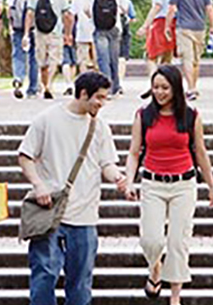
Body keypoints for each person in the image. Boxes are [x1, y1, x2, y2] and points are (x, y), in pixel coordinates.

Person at [18, 72, 130, 305]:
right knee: (44, 276)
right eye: (98, 98)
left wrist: (118, 178)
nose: (102, 103)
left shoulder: (99, 127)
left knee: (80, 282)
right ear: (82, 94)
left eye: (105, 98)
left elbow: (106, 163)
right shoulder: (47, 119)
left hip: (85, 215)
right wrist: (38, 185)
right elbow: (25, 155)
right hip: (49, 211)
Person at [123, 65, 213, 305]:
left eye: (165, 87)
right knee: (152, 239)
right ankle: (155, 268)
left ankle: (175, 296)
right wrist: (129, 181)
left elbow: (200, 151)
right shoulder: (143, 115)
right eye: (155, 87)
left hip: (183, 184)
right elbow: (134, 152)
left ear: (176, 88)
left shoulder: (190, 116)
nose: (160, 92)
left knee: (178, 241)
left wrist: (211, 185)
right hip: (152, 183)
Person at [75, 0, 130, 97]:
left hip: (99, 28)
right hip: (115, 27)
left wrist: (94, 18)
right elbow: (125, 8)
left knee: (103, 59)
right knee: (114, 59)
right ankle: (116, 87)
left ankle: (107, 88)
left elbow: (86, 9)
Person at [23, 0, 74, 99]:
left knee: (42, 62)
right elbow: (67, 15)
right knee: (54, 60)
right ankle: (49, 84)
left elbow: (29, 13)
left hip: (39, 32)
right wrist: (68, 33)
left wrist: (26, 33)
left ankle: (45, 85)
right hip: (56, 32)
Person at [165, 0, 213, 99]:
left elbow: (172, 9)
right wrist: (212, 26)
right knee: (196, 60)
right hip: (200, 28)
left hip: (183, 28)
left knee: (187, 59)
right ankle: (193, 87)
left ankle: (191, 88)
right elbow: (209, 8)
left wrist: (167, 26)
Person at [8, 0, 41, 99]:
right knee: (34, 58)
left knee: (18, 54)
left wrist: (10, 25)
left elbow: (9, 10)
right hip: (34, 28)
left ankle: (18, 77)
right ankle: (32, 89)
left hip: (17, 28)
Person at [136, 0, 175, 66]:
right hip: (173, 20)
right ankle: (166, 75)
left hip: (160, 22)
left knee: (152, 55)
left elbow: (157, 6)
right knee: (168, 53)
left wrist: (145, 26)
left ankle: (153, 75)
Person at [70, 0, 99, 74]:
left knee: (82, 60)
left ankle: (84, 78)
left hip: (82, 31)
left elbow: (72, 15)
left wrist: (69, 32)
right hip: (97, 31)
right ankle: (99, 79)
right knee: (98, 59)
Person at [117, 0, 137, 91]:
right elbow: (133, 18)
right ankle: (120, 81)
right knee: (122, 57)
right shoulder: (125, 0)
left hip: (105, 30)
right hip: (123, 29)